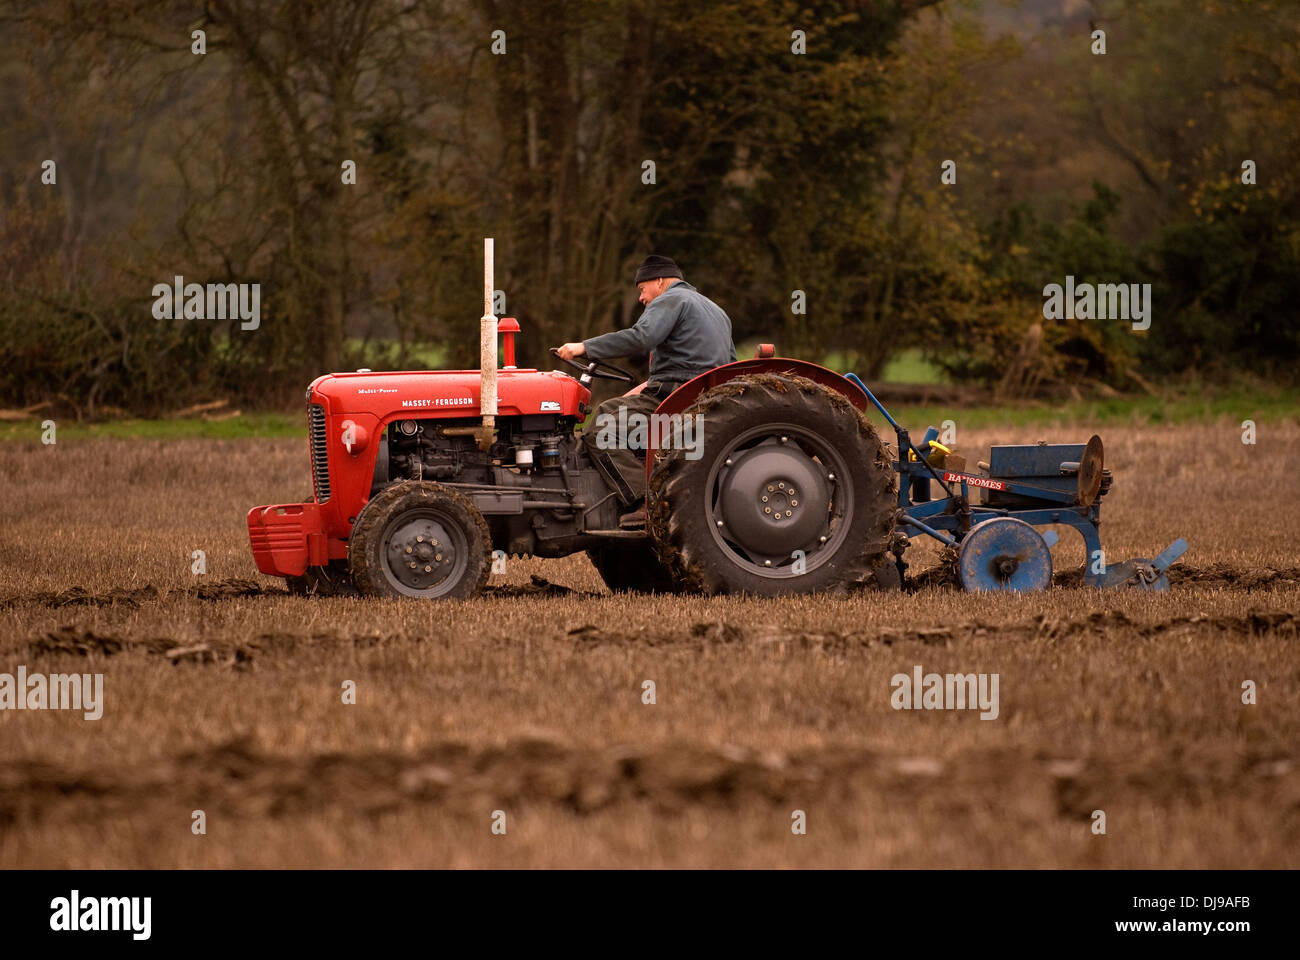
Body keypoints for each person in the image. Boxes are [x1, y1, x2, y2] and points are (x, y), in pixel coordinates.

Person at [555, 254, 737, 527]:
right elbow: (731, 364)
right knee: (610, 411)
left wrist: (585, 347)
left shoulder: (672, 300)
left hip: (676, 397)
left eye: (642, 289)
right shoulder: (716, 310)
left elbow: (642, 337)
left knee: (601, 429)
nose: (641, 298)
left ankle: (645, 502)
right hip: (705, 397)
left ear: (660, 282)